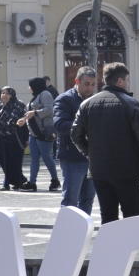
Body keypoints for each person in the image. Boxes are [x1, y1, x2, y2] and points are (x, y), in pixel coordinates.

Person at [71, 62, 139, 222]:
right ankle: (129, 246)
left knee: (108, 216)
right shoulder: (131, 104)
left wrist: (89, 153)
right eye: (127, 80)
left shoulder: (87, 105)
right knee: (132, 216)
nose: (127, 83)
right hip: (127, 169)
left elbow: (75, 135)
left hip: (100, 170)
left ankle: (109, 247)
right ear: (120, 81)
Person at [54, 67, 98, 213]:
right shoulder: (65, 99)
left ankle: (83, 233)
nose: (90, 88)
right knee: (70, 201)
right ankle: (67, 233)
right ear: (77, 81)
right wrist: (86, 127)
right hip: (72, 157)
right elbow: (60, 125)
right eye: (86, 84)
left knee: (87, 199)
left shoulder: (95, 99)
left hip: (92, 158)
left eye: (93, 84)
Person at [16, 77, 60, 193]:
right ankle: (32, 182)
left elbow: (50, 110)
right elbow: (30, 114)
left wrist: (34, 112)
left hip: (44, 132)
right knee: (34, 159)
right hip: (34, 133)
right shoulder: (35, 96)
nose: (28, 88)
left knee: (46, 157)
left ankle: (55, 180)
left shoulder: (45, 94)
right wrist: (23, 119)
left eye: (30, 85)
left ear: (35, 85)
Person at [0, 86, 28, 191]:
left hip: (14, 138)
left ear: (12, 95)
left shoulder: (19, 105)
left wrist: (26, 138)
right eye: (2, 93)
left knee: (14, 162)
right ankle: (18, 180)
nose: (4, 95)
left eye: (7, 93)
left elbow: (24, 121)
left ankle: (8, 183)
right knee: (3, 162)